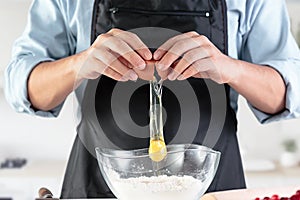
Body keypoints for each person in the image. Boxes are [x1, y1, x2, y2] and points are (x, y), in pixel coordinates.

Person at [4, 0, 300, 198]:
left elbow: (288, 94)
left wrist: (229, 68)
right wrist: (79, 64)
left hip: (212, 188)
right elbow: (22, 87)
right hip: (96, 186)